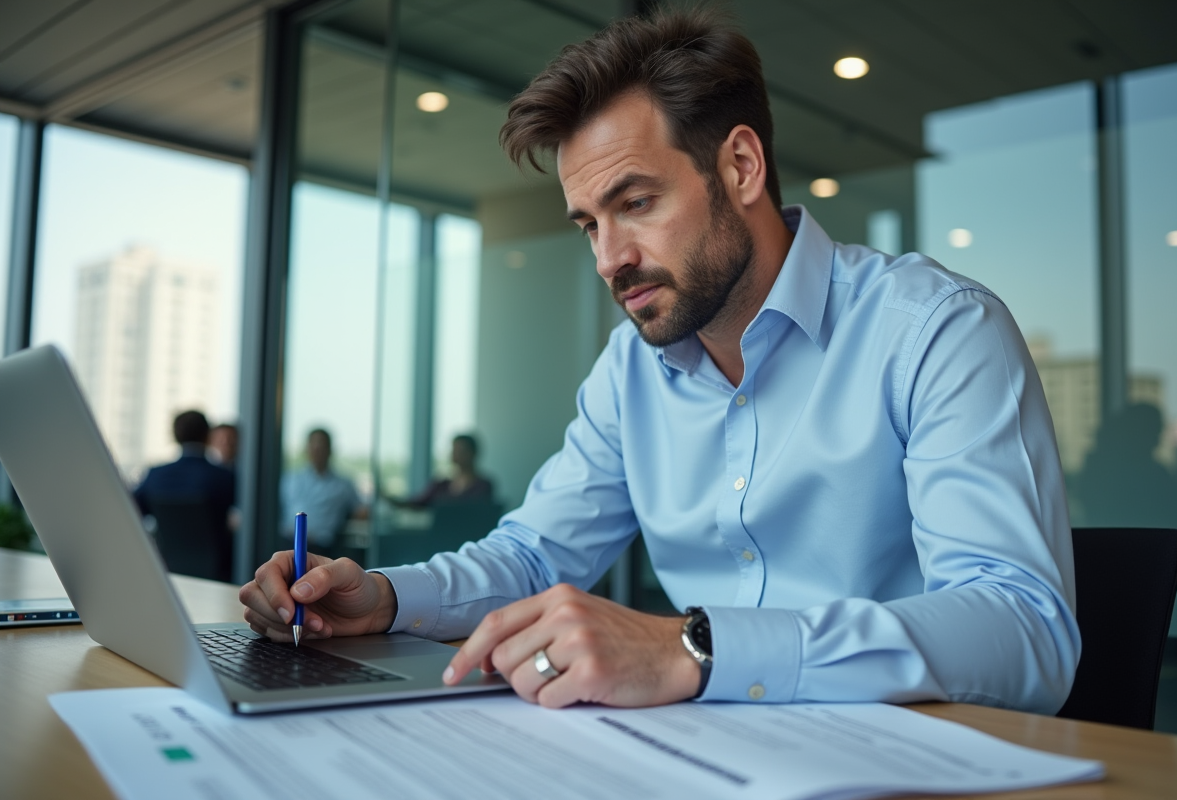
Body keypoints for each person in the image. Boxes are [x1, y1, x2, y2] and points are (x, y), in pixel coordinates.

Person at [242, 9, 1079, 713]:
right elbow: (535, 555)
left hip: (911, 761)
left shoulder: (935, 330)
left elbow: (1023, 628)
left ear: (740, 166)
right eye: (588, 225)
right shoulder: (629, 371)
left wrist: (697, 649)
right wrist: (383, 598)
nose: (610, 258)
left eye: (635, 203)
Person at [134, 410, 237, 579]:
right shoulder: (224, 477)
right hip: (220, 572)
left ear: (175, 436)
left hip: (166, 567)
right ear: (208, 436)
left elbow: (135, 512)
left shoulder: (155, 475)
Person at [278, 428, 367, 557]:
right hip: (289, 546)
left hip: (322, 550)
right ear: (306, 449)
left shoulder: (342, 484)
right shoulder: (291, 479)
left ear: (330, 450)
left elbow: (360, 510)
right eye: (314, 445)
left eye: (322, 446)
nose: (317, 450)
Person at [404, 434, 494, 508]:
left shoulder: (483, 486)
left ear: (473, 453)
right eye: (454, 450)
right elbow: (420, 502)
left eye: (460, 450)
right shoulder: (441, 484)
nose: (455, 453)